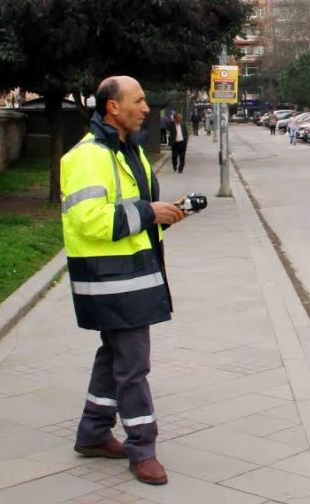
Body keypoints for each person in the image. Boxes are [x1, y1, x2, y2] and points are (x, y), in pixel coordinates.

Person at [59, 76, 189, 486]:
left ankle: (94, 433)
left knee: (112, 355)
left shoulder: (129, 151)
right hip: (109, 279)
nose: (147, 107)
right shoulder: (87, 156)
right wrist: (151, 213)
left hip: (131, 274)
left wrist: (163, 213)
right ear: (112, 107)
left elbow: (138, 211)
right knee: (133, 365)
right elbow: (89, 219)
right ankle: (142, 450)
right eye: (139, 100)